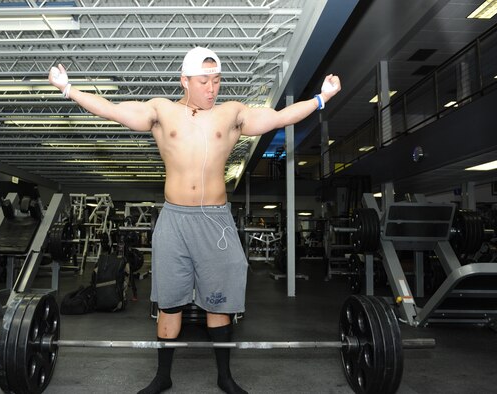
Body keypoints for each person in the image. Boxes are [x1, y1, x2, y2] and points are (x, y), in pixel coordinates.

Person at [49, 46, 341, 394]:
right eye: (204, 81)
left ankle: (225, 376)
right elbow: (113, 111)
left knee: (219, 302)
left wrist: (320, 100)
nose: (212, 88)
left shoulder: (231, 114)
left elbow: (278, 118)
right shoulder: (162, 111)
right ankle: (162, 376)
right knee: (169, 301)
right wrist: (69, 90)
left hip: (215, 221)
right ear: (184, 80)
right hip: (174, 220)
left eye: (216, 80)